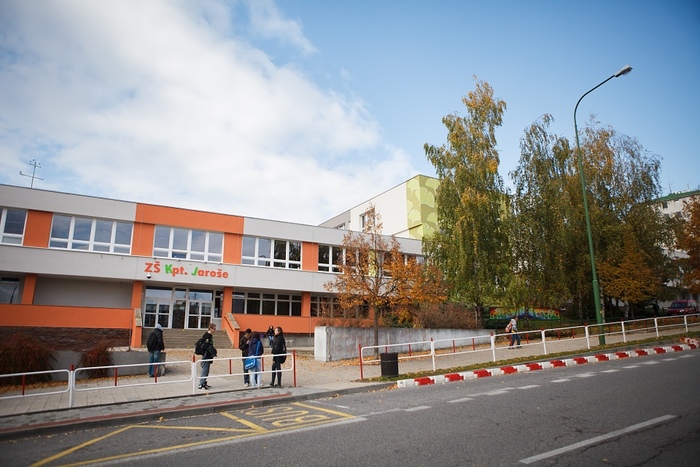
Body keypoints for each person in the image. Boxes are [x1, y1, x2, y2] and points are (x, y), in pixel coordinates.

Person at [198, 323, 217, 390]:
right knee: (205, 370)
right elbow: (206, 346)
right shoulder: (207, 336)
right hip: (206, 355)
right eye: (214, 328)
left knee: (206, 370)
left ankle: (204, 382)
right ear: (211, 328)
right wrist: (212, 350)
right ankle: (201, 384)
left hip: (208, 355)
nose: (215, 330)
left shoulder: (209, 336)